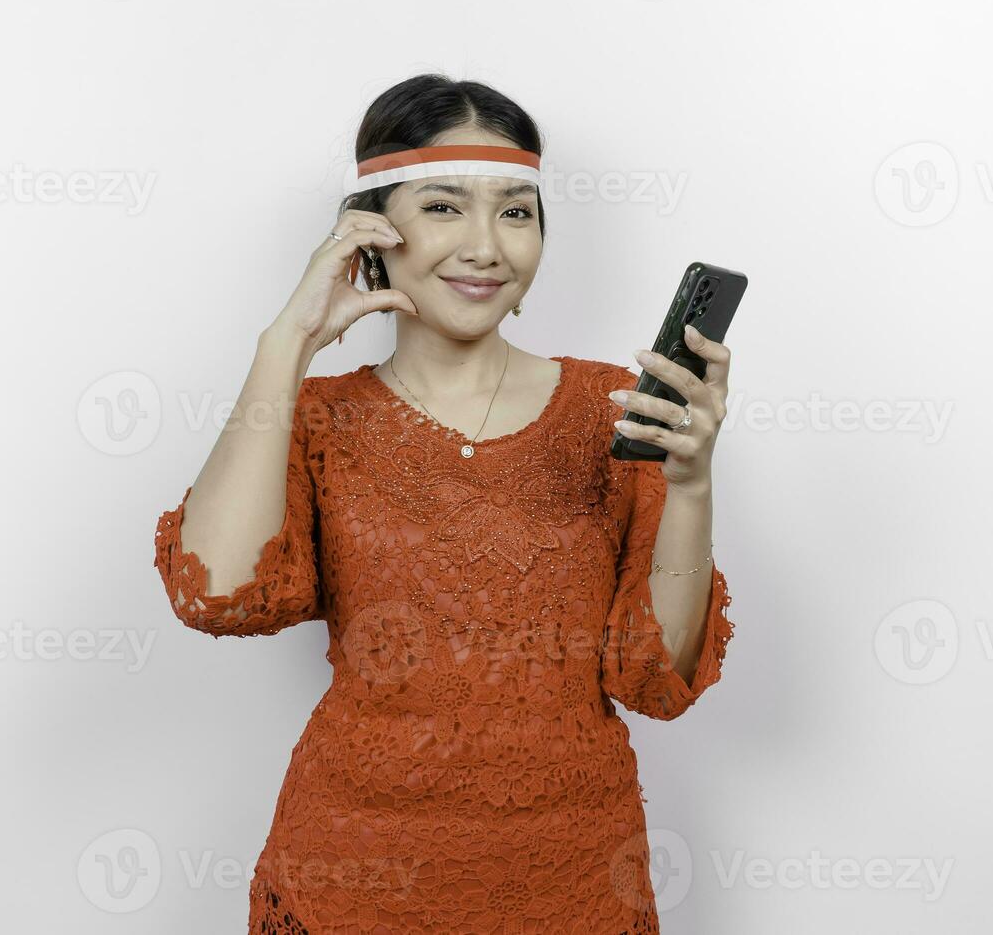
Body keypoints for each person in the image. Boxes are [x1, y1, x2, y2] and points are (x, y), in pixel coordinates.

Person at [153, 73, 736, 933]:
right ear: (373, 233)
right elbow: (214, 593)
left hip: (573, 882)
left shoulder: (615, 411)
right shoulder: (317, 419)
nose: (485, 246)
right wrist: (287, 342)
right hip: (351, 884)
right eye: (442, 207)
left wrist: (690, 487)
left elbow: (655, 681)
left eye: (515, 212)